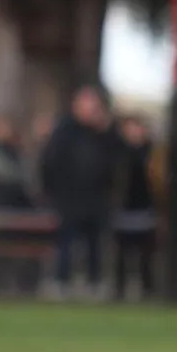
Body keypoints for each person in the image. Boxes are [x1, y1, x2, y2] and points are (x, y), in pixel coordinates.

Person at [39, 85, 120, 299]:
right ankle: (61, 282)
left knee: (95, 244)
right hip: (69, 198)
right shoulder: (64, 130)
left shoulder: (104, 133)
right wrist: (53, 192)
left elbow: (115, 162)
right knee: (66, 242)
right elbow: (50, 162)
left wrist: (106, 130)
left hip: (96, 199)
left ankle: (94, 283)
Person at [113, 115, 156, 299]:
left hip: (145, 208)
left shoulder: (152, 153)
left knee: (146, 252)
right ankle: (119, 288)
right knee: (122, 252)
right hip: (124, 209)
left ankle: (147, 288)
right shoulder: (119, 153)